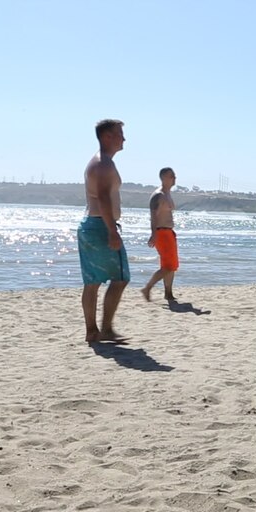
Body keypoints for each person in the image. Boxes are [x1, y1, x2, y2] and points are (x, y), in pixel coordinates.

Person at [78, 119, 130, 344]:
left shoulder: (100, 162)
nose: (124, 139)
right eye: (120, 134)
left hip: (92, 224)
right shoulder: (103, 164)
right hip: (100, 226)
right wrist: (112, 231)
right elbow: (103, 198)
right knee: (119, 278)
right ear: (107, 136)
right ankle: (104, 329)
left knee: (93, 282)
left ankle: (93, 331)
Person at [140, 167, 179, 303]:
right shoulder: (159, 195)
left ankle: (168, 293)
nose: (174, 178)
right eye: (171, 176)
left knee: (170, 265)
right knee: (169, 266)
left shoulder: (167, 194)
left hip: (169, 232)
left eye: (174, 176)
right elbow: (153, 216)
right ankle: (147, 287)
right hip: (161, 232)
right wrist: (153, 233)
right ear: (163, 178)